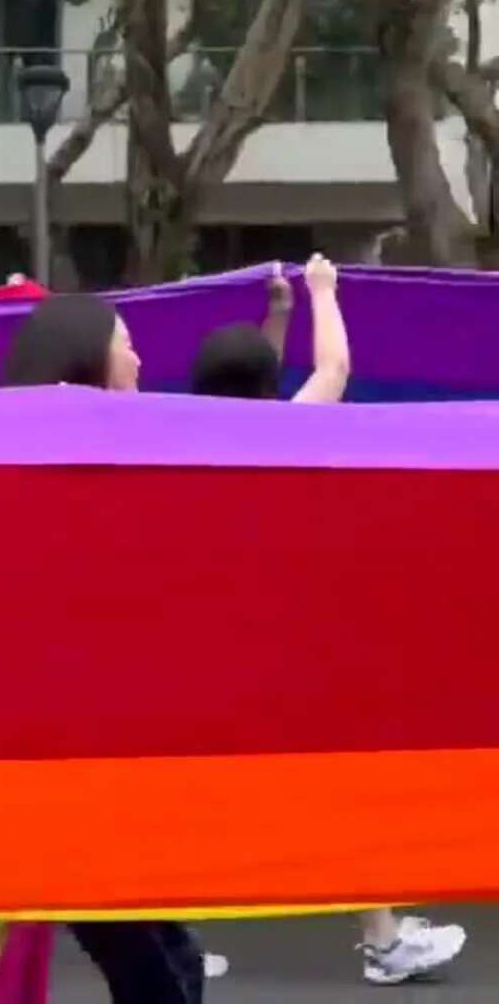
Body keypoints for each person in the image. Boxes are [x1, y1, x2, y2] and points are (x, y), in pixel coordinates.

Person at [0, 295, 208, 1004]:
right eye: (127, 343)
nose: (141, 358)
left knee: (164, 961)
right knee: (159, 966)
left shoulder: (105, 456)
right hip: (47, 766)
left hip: (81, 763)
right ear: (89, 358)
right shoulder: (41, 469)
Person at [190, 255, 468, 987]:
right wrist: (322, 292)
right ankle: (382, 940)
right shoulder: (275, 439)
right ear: (263, 388)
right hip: (284, 653)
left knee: (198, 801)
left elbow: (253, 387)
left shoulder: (184, 441)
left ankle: (172, 938)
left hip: (213, 652)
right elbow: (335, 368)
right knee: (335, 791)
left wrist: (276, 316)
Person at [190, 256, 349, 404]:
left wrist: (279, 313)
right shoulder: (279, 427)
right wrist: (323, 290)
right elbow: (333, 371)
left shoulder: (186, 427)